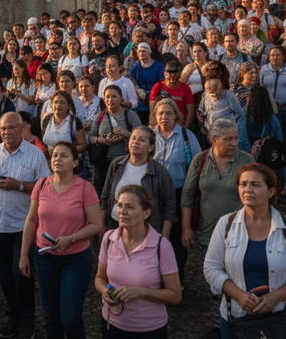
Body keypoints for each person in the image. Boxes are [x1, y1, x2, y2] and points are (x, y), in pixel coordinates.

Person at [204, 164, 286, 339]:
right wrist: (239, 296)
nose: (247, 189)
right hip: (236, 318)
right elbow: (211, 268)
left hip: (282, 319)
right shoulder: (225, 225)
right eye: (243, 184)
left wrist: (277, 297)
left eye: (255, 185)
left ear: (271, 191)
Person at [0, 112, 51, 339]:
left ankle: (27, 321)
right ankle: (13, 315)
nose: (6, 133)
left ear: (22, 128)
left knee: (21, 273)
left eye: (12, 128)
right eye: (3, 129)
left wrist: (20, 186)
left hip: (24, 226)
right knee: (4, 274)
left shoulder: (35, 155)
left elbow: (45, 189)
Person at [19, 142, 101, 338]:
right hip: (45, 258)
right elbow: (31, 220)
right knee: (51, 315)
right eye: (55, 155)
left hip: (75, 259)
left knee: (71, 316)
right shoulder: (41, 185)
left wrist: (71, 238)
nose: (57, 159)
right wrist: (23, 255)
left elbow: (96, 225)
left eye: (63, 156)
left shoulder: (85, 188)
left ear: (74, 162)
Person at [181, 119, 255, 330]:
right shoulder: (200, 160)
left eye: (236, 138)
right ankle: (221, 325)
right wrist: (186, 228)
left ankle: (243, 323)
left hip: (241, 235)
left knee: (239, 282)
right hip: (207, 236)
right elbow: (188, 195)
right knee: (216, 285)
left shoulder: (246, 160)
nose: (234, 143)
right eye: (228, 139)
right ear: (214, 140)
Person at [95, 185, 182, 337]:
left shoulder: (161, 245)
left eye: (130, 207)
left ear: (146, 213)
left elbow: (175, 295)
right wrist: (104, 290)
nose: (122, 211)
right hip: (111, 324)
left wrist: (141, 291)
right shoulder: (109, 238)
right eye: (120, 205)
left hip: (149, 330)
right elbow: (99, 278)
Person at [152, 98, 202, 278]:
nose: (164, 117)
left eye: (169, 113)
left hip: (180, 193)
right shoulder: (150, 135)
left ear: (176, 115)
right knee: (154, 234)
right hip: (154, 195)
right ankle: (154, 276)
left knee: (177, 236)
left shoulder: (187, 136)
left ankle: (176, 277)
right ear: (155, 116)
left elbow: (197, 165)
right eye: (161, 113)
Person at [101, 126, 176, 236]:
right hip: (115, 224)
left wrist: (164, 236)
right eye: (133, 138)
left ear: (150, 147)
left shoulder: (160, 172)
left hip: (145, 228)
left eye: (141, 140)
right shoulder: (116, 164)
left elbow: (169, 207)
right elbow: (105, 196)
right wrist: (103, 225)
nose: (135, 142)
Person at [88, 86, 142, 193]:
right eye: (107, 97)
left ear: (121, 98)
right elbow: (90, 137)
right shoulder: (100, 116)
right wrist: (100, 140)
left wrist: (126, 133)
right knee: (106, 192)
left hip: (126, 161)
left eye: (114, 96)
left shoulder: (130, 115)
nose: (110, 100)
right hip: (105, 162)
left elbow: (142, 135)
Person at [150, 60, 195, 129]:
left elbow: (190, 110)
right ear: (165, 74)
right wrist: (153, 127)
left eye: (175, 73)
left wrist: (185, 128)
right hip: (161, 124)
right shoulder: (157, 87)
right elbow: (152, 109)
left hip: (179, 125)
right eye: (169, 74)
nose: (172, 76)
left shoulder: (185, 88)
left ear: (179, 73)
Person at [237, 86, 283, 153]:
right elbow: (279, 139)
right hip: (268, 157)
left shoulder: (244, 118)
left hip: (249, 157)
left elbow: (241, 142)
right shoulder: (272, 119)